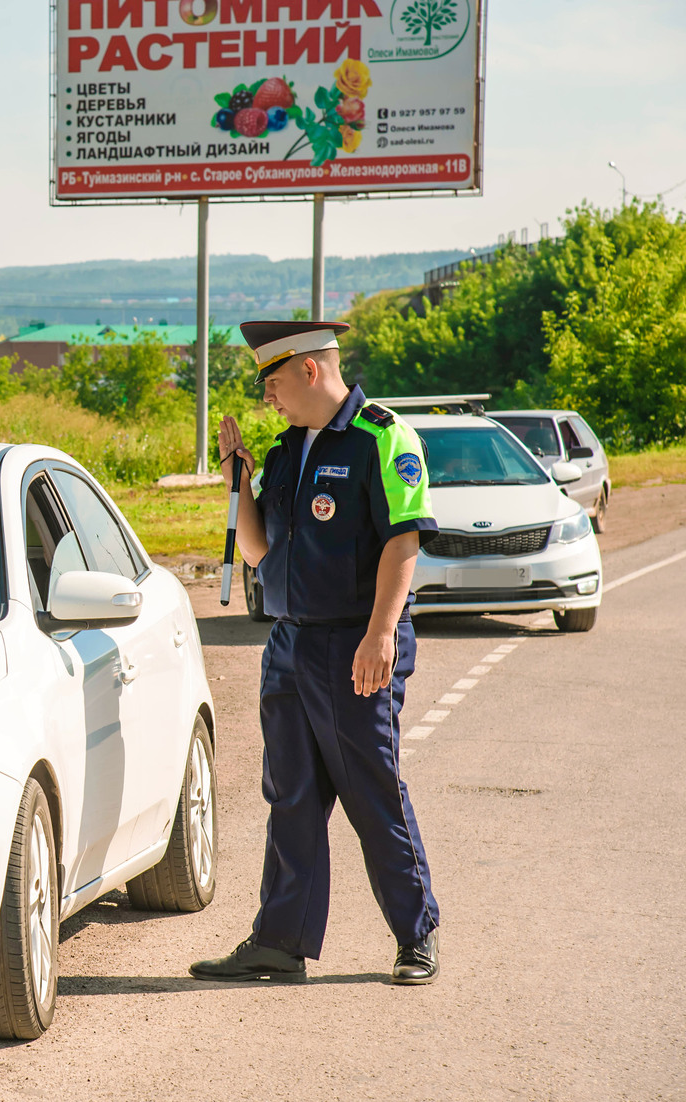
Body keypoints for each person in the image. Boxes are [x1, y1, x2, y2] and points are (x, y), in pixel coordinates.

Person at [191, 319, 442, 987]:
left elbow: (402, 541)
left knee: (370, 792)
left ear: (309, 371)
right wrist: (236, 483)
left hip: (355, 642)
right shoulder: (284, 454)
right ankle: (280, 942)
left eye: (271, 381)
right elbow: (260, 553)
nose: (265, 396)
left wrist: (381, 633)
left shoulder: (382, 438)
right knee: (292, 796)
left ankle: (415, 936)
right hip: (291, 641)